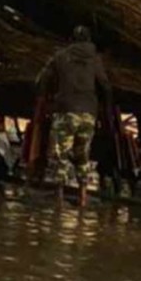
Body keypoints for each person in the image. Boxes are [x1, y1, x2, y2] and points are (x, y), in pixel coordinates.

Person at [37, 26, 113, 207]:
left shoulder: (60, 56)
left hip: (66, 110)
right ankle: (83, 197)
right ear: (89, 40)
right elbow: (106, 86)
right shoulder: (95, 59)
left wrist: (46, 98)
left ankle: (59, 198)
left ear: (71, 39)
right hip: (89, 113)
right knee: (83, 154)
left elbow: (41, 80)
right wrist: (105, 110)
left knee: (60, 155)